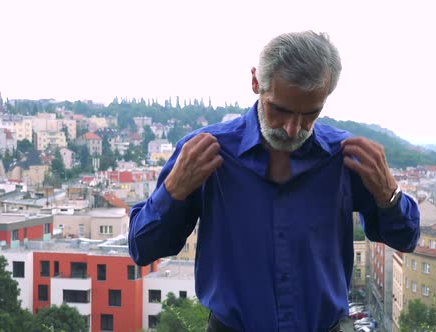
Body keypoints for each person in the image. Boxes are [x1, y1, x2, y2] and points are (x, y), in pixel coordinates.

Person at [129, 31, 420, 332]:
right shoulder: (204, 152)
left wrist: (390, 195)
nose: (293, 129)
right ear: (256, 82)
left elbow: (406, 238)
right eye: (279, 110)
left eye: (310, 114)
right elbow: (143, 248)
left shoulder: (345, 157)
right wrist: (172, 192)